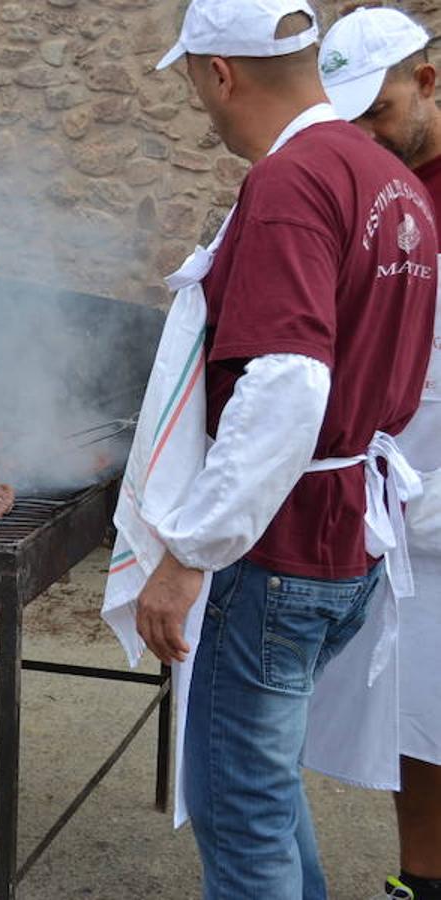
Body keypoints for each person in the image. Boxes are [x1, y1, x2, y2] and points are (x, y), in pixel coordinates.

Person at [101, 1, 438, 897]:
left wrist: (189, 554)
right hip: (345, 543)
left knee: (241, 811)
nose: (198, 101)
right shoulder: (388, 176)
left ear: (221, 73)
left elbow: (290, 383)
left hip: (277, 554)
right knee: (262, 783)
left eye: (191, 80)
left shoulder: (291, 181)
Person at [318, 9, 441, 900]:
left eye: (382, 112)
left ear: (429, 83)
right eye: (349, 117)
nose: (367, 137)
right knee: (418, 708)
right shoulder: (371, 186)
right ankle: (421, 880)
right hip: (410, 496)